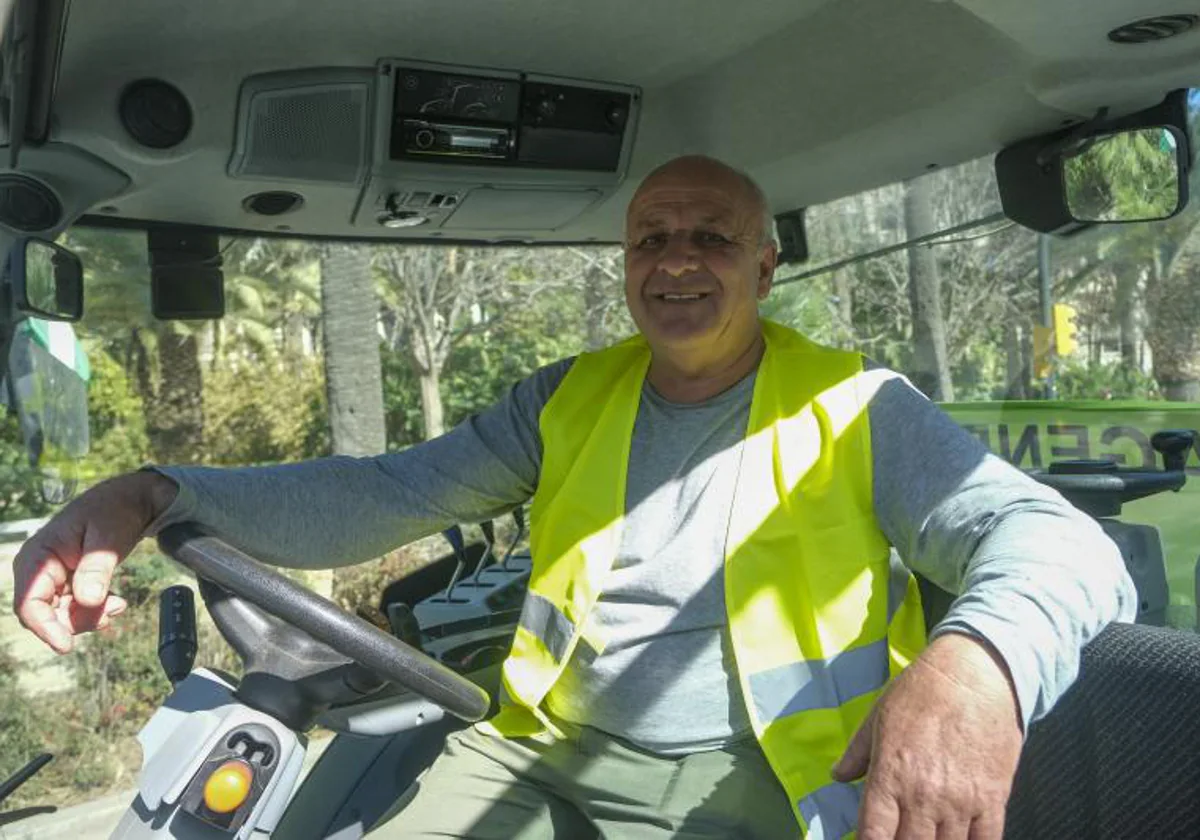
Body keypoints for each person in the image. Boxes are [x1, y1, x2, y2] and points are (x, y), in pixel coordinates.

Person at [12, 155, 1135, 839]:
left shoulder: (859, 407)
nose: (677, 259)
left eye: (711, 237)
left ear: (765, 266)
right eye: (652, 237)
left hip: (756, 781)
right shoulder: (565, 400)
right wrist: (155, 491)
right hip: (539, 750)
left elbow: (1065, 549)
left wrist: (977, 663)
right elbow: (378, 494)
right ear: (626, 261)